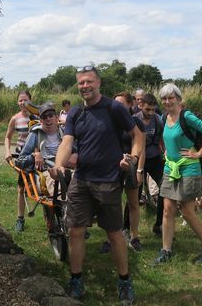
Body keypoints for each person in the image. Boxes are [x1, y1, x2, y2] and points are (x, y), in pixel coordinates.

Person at [52, 65, 144, 305]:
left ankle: (124, 281)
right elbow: (67, 142)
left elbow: (137, 135)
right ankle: (76, 279)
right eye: (81, 82)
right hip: (81, 180)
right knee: (75, 231)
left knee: (114, 233)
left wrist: (132, 159)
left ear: (99, 82)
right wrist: (59, 165)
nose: (85, 86)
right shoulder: (74, 113)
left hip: (108, 182)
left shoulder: (114, 108)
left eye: (89, 81)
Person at [154, 83, 202, 265]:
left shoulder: (187, 116)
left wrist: (198, 153)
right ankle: (166, 251)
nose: (167, 101)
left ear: (179, 99)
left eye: (171, 97)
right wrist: (166, 151)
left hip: (189, 169)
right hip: (170, 168)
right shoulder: (163, 117)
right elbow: (165, 138)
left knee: (187, 211)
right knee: (167, 210)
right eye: (164, 98)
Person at [113, 92, 145, 252]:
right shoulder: (110, 122)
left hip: (132, 165)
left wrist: (139, 169)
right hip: (114, 167)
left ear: (130, 105)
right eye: (115, 103)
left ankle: (134, 236)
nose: (117, 106)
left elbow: (142, 147)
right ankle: (111, 237)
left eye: (121, 103)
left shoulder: (136, 122)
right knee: (113, 203)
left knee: (133, 203)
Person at [4, 90, 37, 232]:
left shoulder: (38, 116)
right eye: (20, 100)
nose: (23, 103)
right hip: (22, 158)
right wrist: (7, 151)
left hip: (38, 156)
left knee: (45, 186)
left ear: (31, 100)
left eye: (25, 100)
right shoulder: (15, 119)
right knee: (22, 188)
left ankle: (54, 219)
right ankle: (20, 219)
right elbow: (7, 137)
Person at [134, 93, 165, 236]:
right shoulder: (134, 120)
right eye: (147, 110)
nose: (151, 113)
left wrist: (165, 152)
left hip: (154, 158)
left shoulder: (158, 120)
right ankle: (127, 228)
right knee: (134, 195)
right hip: (138, 159)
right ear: (140, 106)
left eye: (153, 109)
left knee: (165, 190)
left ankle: (158, 225)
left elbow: (162, 139)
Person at [15, 102, 63, 196]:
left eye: (50, 115)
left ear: (56, 118)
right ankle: (65, 207)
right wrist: (34, 156)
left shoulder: (64, 132)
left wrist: (75, 154)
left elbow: (76, 150)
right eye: (44, 117)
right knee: (60, 187)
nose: (48, 119)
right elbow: (19, 161)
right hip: (47, 172)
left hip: (64, 169)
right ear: (40, 121)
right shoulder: (35, 134)